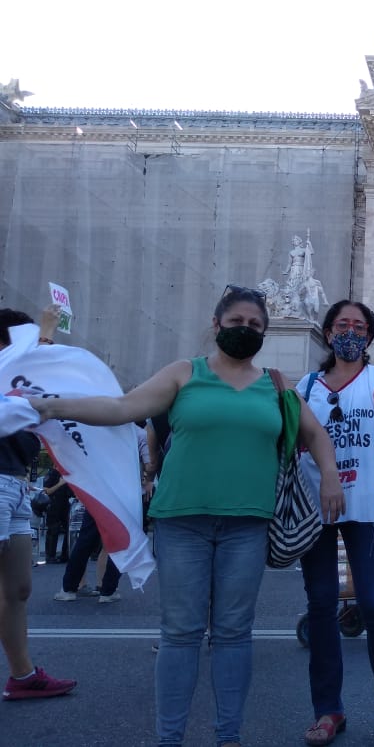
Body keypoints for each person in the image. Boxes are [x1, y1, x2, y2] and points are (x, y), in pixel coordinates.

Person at [29, 285, 341, 746]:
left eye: (255, 325)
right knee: (180, 633)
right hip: (181, 522)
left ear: (265, 333)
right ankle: (169, 739)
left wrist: (331, 476)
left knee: (234, 633)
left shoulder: (277, 385)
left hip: (249, 524)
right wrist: (51, 406)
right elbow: (122, 408)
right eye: (236, 322)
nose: (246, 330)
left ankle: (228, 737)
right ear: (216, 325)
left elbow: (316, 436)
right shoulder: (184, 373)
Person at [296, 300, 374, 747]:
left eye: (359, 326)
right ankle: (328, 709)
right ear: (328, 334)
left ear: (368, 336)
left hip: (367, 502)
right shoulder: (307, 386)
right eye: (343, 325)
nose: (351, 332)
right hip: (316, 504)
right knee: (321, 603)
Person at [1, 305, 76, 701]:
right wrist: (45, 334)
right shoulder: (5, 372)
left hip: (15, 484)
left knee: (19, 588)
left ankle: (23, 675)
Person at [42, 468, 73, 564]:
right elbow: (46, 491)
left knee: (68, 530)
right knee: (53, 530)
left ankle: (65, 554)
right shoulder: (52, 473)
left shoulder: (67, 474)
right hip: (53, 504)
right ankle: (50, 556)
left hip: (65, 504)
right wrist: (60, 484)